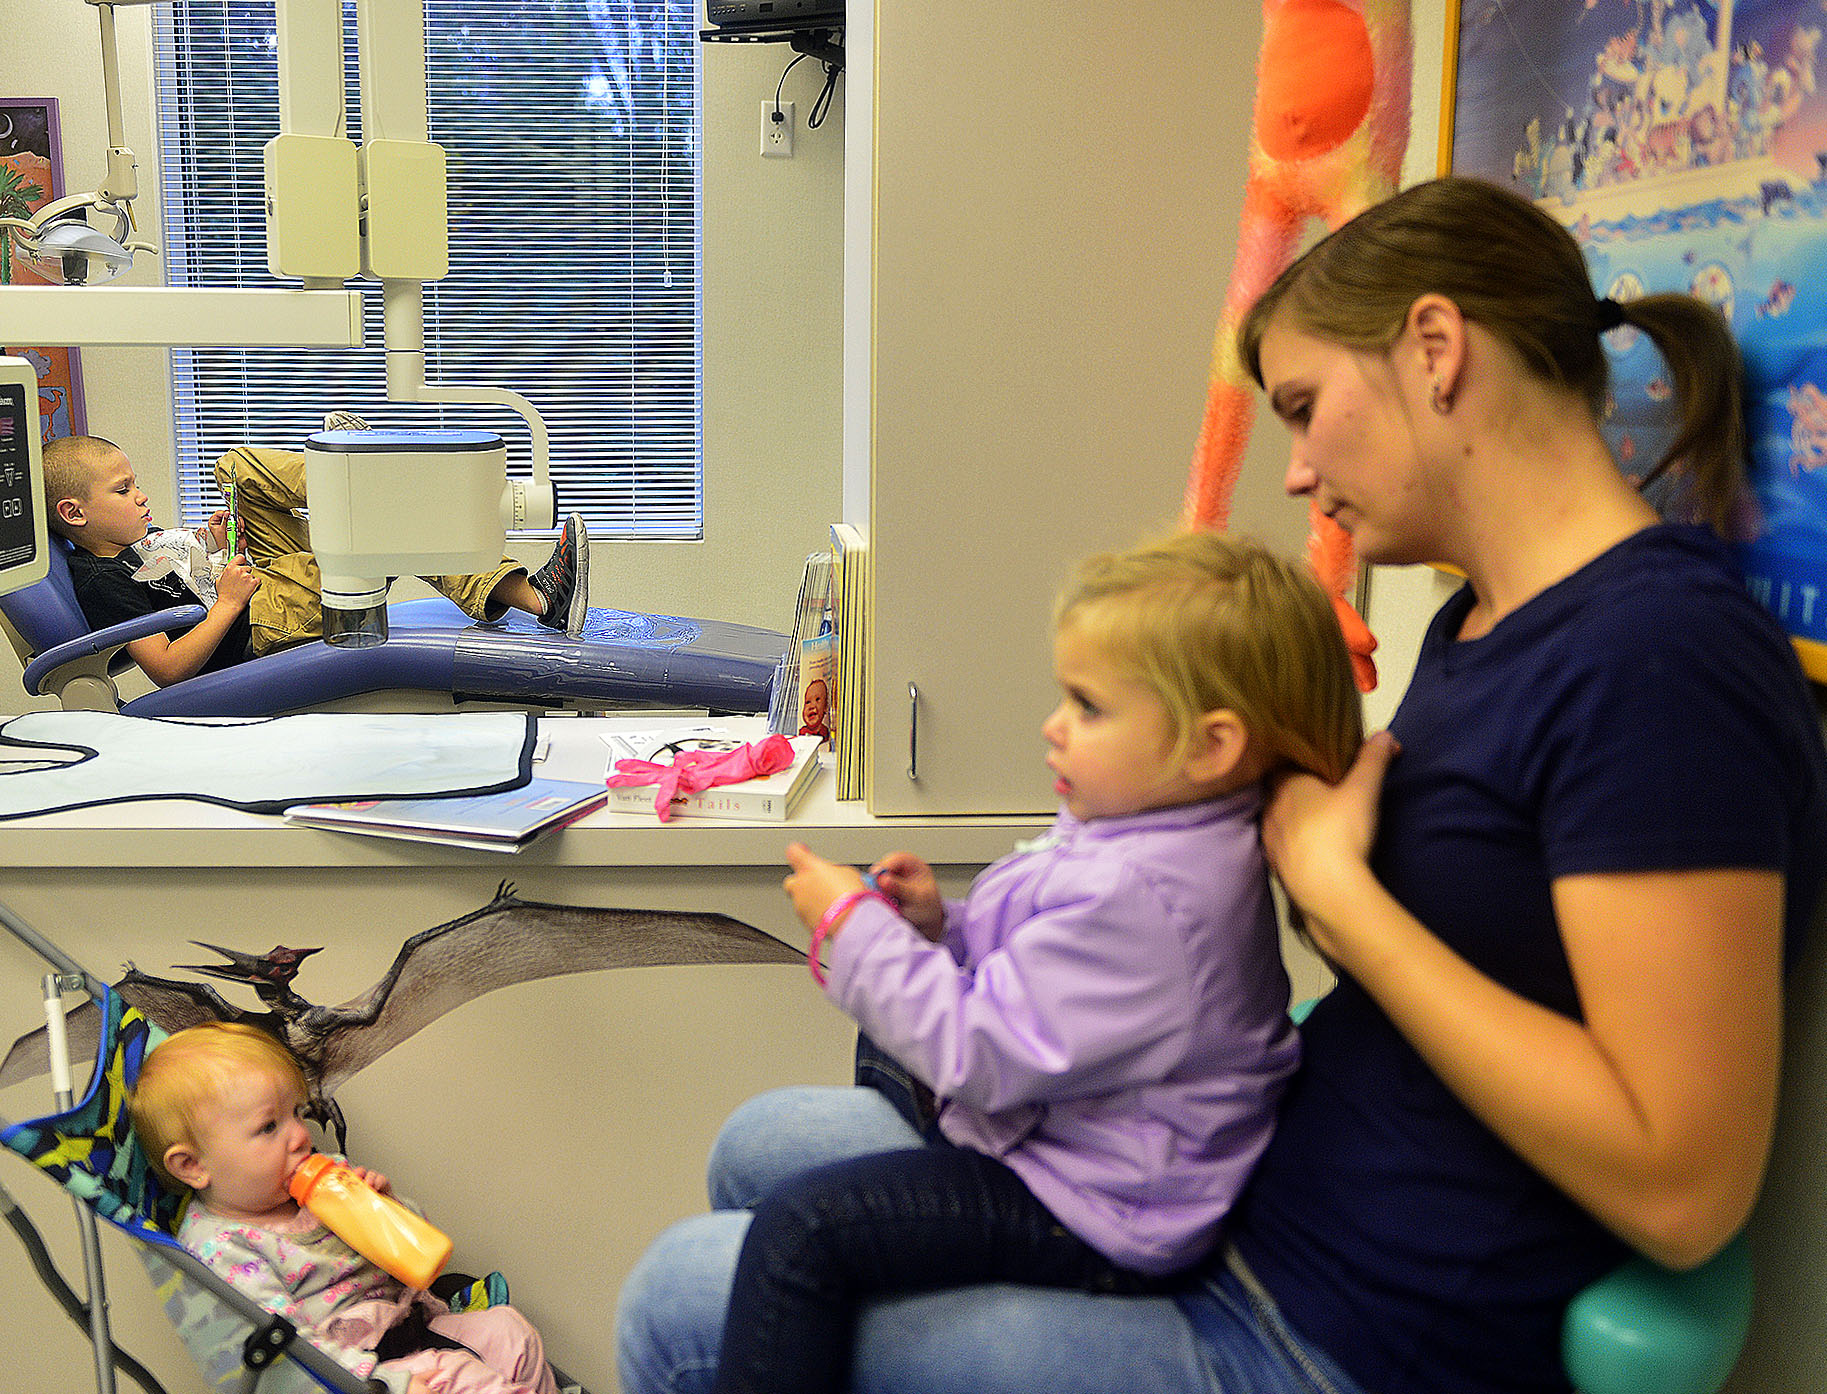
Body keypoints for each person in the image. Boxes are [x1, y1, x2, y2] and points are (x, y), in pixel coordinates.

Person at [615, 176, 1827, 1394]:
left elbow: (1681, 1186)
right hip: (1251, 1198)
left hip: (1340, 1327)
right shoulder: (1482, 624)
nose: (1295, 472)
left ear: (1438, 349)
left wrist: (1344, 900)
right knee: (762, 1148)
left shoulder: (1662, 665)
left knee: (683, 1303)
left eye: (1304, 407)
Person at [655, 532, 1363, 1394]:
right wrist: (939, 929)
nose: (1052, 726)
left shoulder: (1143, 893)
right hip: (1087, 1141)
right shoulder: (1158, 830)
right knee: (875, 1060)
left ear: (1210, 747)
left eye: (1088, 708)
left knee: (803, 1232)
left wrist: (852, 925)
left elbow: (979, 1054)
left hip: (1102, 1205)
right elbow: (1050, 984)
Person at [129, 1021, 562, 1394]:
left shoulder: (327, 1179)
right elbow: (287, 1358)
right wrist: (382, 1383)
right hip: (354, 1374)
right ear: (192, 1165)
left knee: (510, 1332)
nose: (299, 1135)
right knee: (466, 1379)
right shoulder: (222, 1249)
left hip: (410, 1325)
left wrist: (385, 1208)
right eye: (268, 1126)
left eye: (297, 1113)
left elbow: (415, 1259)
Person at [41, 433, 589, 687]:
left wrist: (208, 543)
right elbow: (165, 671)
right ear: (75, 512)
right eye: (122, 490)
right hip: (252, 621)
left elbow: (174, 570)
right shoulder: (99, 579)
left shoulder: (131, 540)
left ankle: (355, 478)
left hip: (246, 585)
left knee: (235, 466)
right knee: (378, 534)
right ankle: (539, 599)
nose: (141, 495)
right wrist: (228, 606)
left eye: (135, 483)